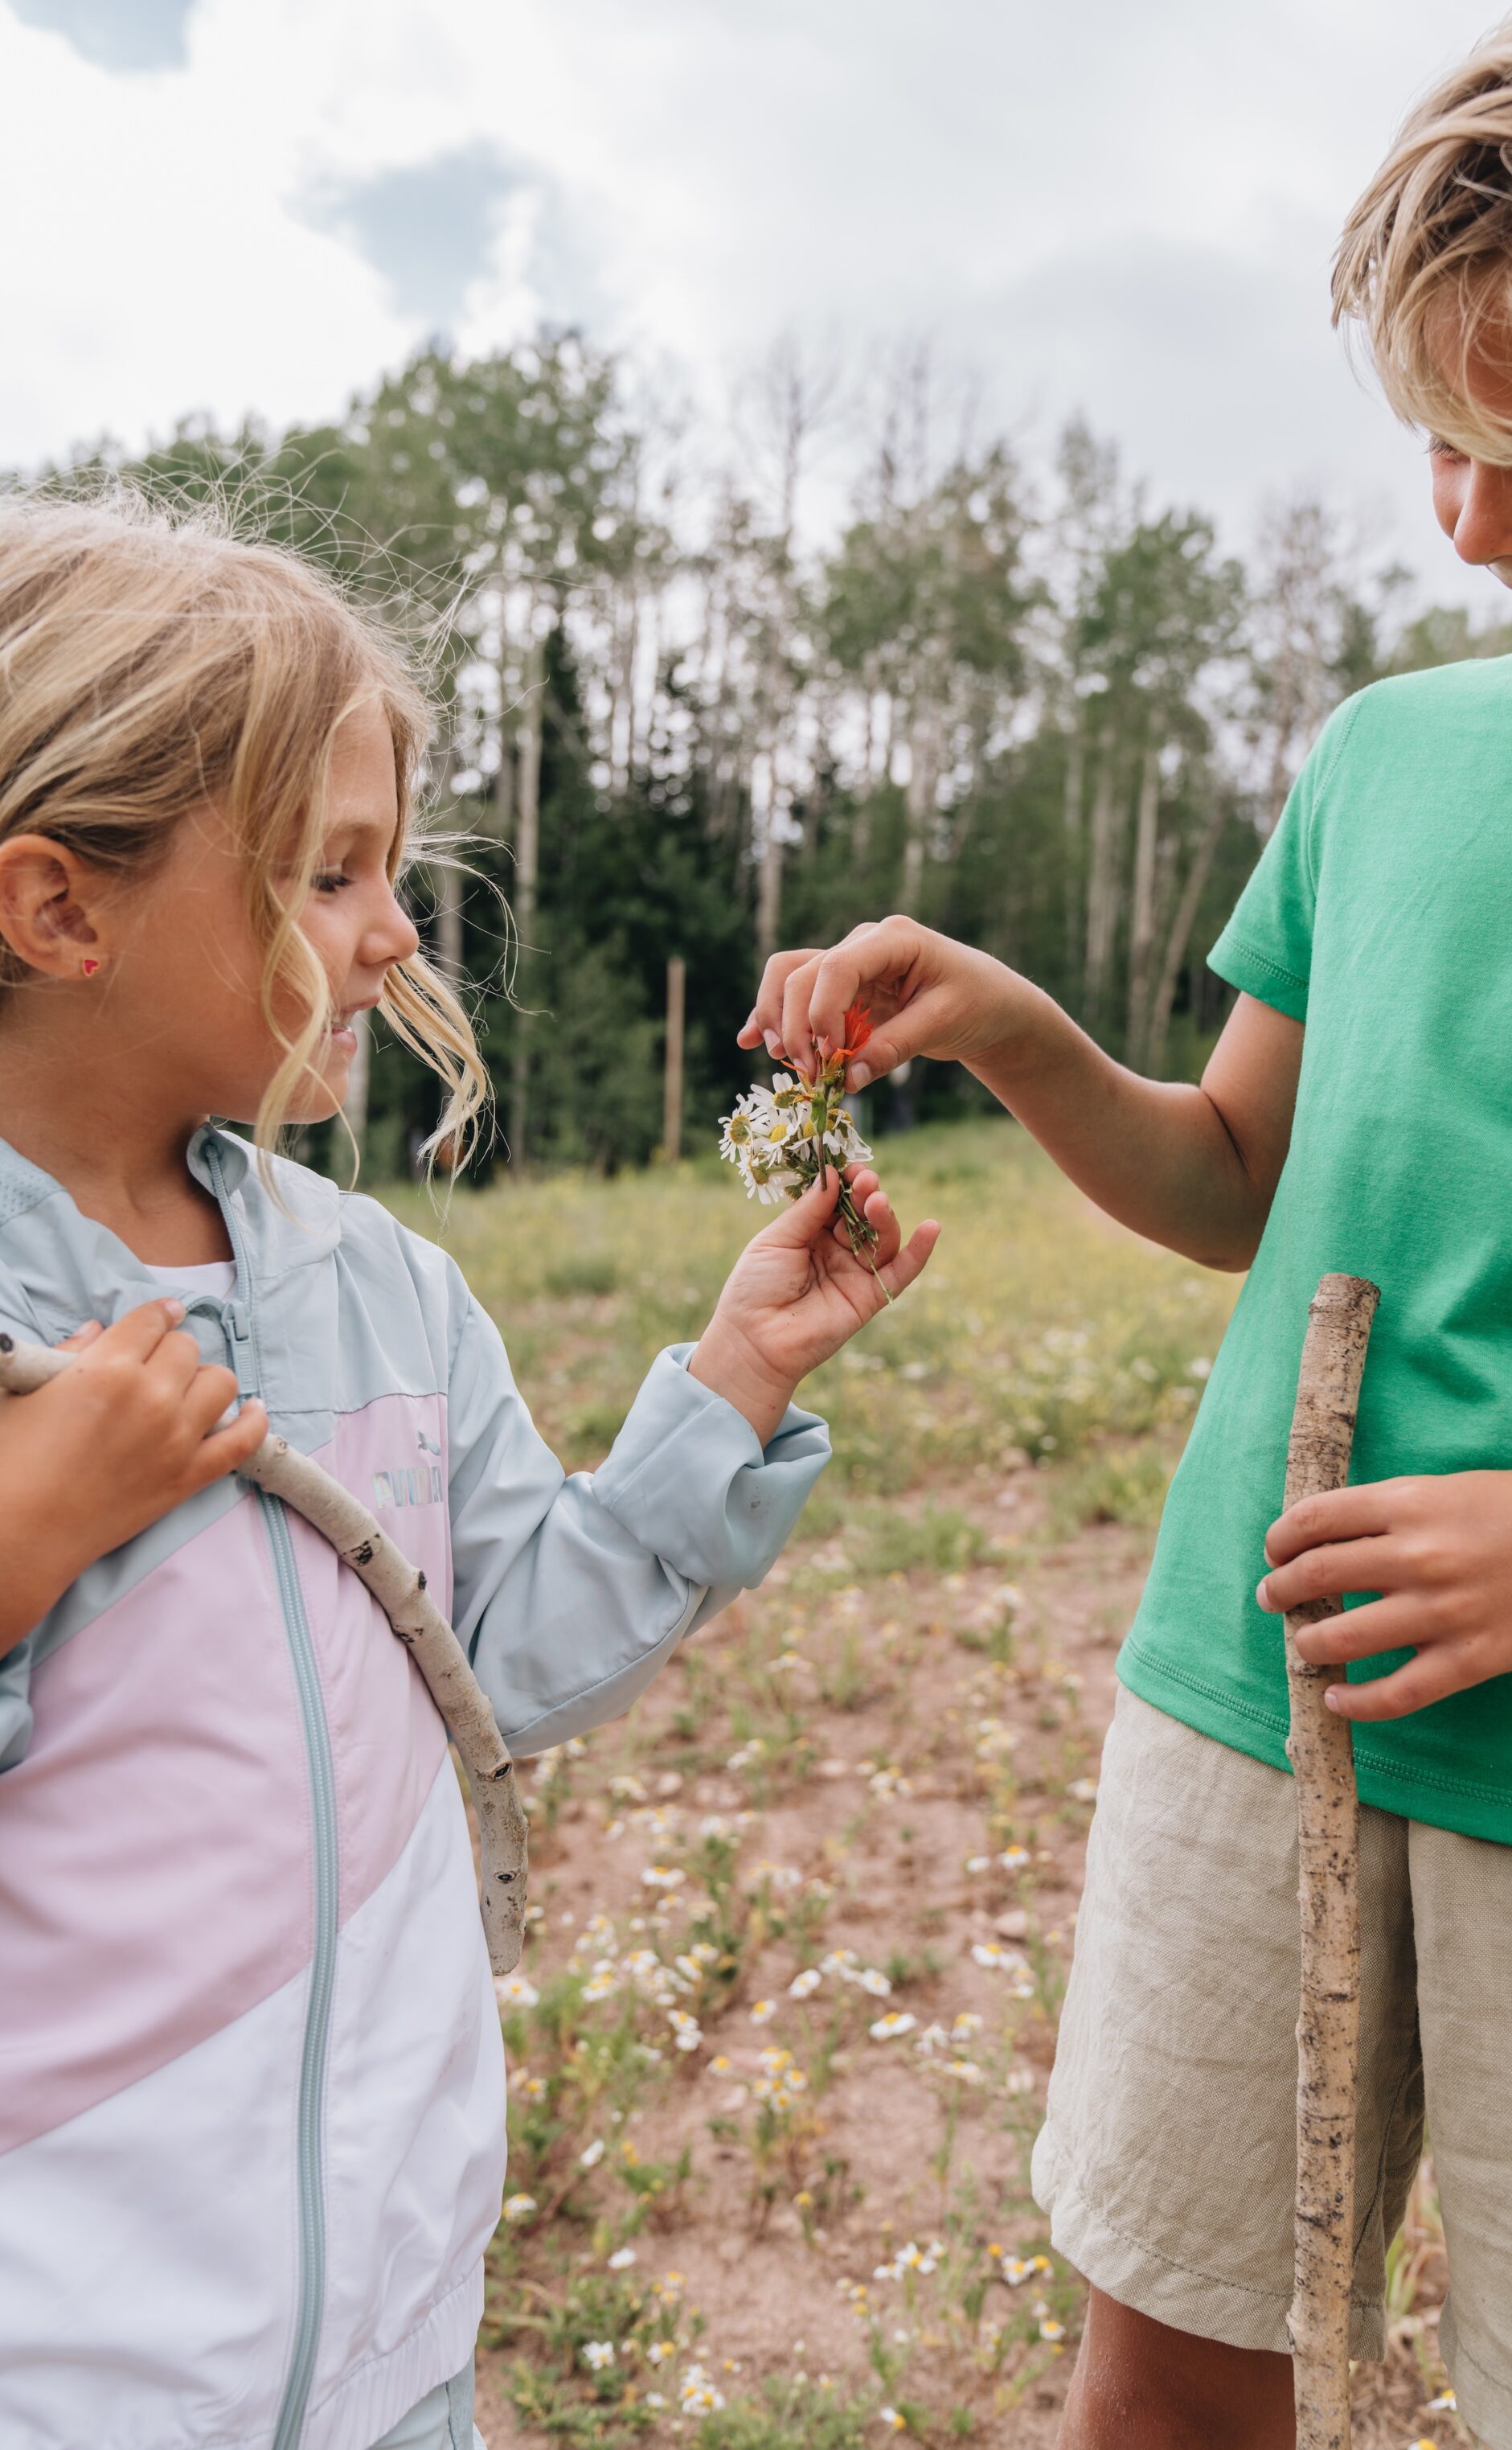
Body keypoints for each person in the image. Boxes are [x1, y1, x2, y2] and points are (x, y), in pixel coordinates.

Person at [744, 0, 1512, 2442]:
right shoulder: (1389, 756)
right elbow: (1242, 1186)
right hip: (1253, 1696)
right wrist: (1022, 1032)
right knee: (1162, 2356)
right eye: (1445, 444)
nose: (1473, 521)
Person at [0, 492, 938, 2450]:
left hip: (393, 2338)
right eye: (328, 873)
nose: (399, 932)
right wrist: (28, 1532)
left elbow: (498, 1656)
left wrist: (740, 1369)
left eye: (392, 865)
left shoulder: (384, 1295)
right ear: (62, 907)